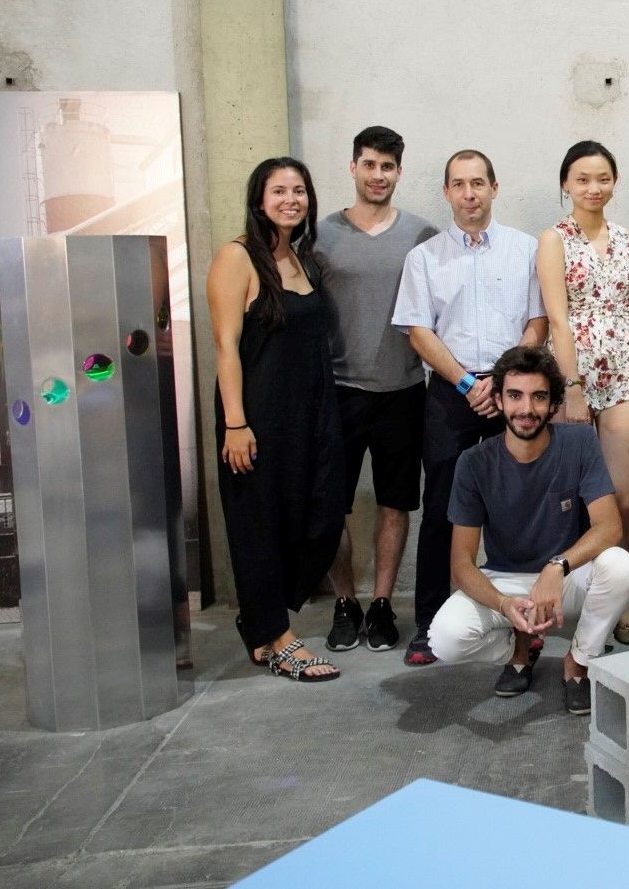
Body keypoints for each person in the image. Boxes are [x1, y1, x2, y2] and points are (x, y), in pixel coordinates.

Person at [392, 149, 546, 666]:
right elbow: (418, 329)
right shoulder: (425, 257)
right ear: (447, 193)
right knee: (442, 507)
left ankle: (530, 618)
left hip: (514, 393)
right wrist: (466, 383)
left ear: (495, 187)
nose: (469, 193)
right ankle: (431, 621)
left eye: (478, 183)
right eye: (458, 184)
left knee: (521, 502)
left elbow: (538, 321)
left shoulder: (526, 250)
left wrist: (502, 385)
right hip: (450, 394)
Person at [427, 346, 629, 715]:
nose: (526, 409)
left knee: (621, 566)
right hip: (506, 582)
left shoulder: (579, 442)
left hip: (564, 580)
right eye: (515, 395)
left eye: (538, 397)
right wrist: (505, 604)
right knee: (444, 640)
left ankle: (578, 663)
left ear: (554, 402)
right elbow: (461, 566)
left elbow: (609, 527)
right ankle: (518, 652)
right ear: (498, 399)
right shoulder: (474, 462)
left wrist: (556, 566)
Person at [207, 156, 344, 682]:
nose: (291, 199)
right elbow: (225, 346)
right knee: (258, 524)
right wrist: (236, 424)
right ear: (258, 199)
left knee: (318, 513)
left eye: (300, 191)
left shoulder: (305, 261)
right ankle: (276, 636)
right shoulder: (237, 257)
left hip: (310, 414)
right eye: (279, 190)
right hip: (258, 416)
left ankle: (262, 621)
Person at [316, 125, 438, 654]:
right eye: (369, 164)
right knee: (331, 506)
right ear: (353, 167)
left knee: (395, 504)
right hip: (337, 390)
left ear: (398, 172)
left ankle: (384, 605)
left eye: (387, 166)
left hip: (404, 390)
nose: (378, 175)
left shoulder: (422, 235)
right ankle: (345, 602)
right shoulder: (319, 236)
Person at [536, 140, 629, 646]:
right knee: (576, 502)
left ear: (615, 181)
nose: (592, 187)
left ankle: (619, 599)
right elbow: (557, 318)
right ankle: (575, 596)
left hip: (625, 373)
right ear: (565, 184)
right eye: (581, 178)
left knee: (625, 503)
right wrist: (573, 388)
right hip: (572, 375)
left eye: (602, 177)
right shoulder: (553, 239)